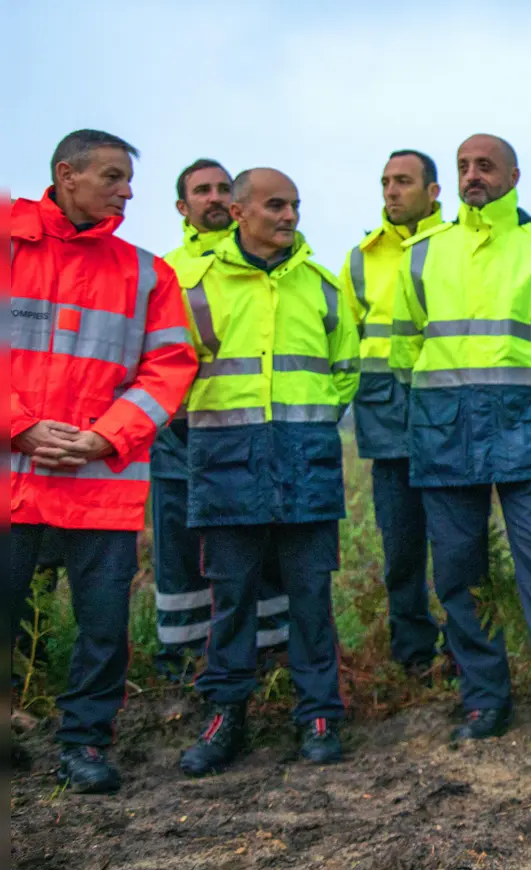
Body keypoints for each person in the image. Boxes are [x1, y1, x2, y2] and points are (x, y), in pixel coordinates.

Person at [390, 134, 531, 745]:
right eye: (465, 165)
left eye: (485, 166)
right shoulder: (421, 253)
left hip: (529, 433)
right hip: (445, 434)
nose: (473, 175)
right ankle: (483, 701)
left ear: (514, 176)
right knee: (461, 572)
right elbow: (403, 352)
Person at [10, 130, 198, 793]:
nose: (127, 190)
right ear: (67, 174)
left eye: (127, 178)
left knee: (103, 626)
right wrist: (18, 427)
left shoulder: (147, 272)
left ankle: (84, 743)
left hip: (99, 483)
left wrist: (104, 439)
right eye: (113, 177)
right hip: (11, 476)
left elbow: (169, 368)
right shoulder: (6, 244)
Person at [177, 168, 359, 775]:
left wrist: (305, 428)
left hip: (305, 462)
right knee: (231, 600)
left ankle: (319, 716)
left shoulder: (324, 288)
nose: (288, 216)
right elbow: (175, 375)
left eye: (296, 206)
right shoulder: (195, 287)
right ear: (238, 211)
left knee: (311, 597)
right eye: (275, 205)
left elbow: (346, 372)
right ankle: (225, 718)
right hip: (225, 463)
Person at [154, 159, 291, 679]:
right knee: (182, 557)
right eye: (200, 190)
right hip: (181, 446)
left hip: (255, 444)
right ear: (182, 206)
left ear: (236, 204)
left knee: (264, 552)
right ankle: (183, 658)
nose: (212, 197)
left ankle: (270, 653)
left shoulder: (268, 265)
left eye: (221, 189)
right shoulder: (166, 271)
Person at [339, 150, 446, 676]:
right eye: (385, 182)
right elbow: (345, 340)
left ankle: (467, 646)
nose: (391, 191)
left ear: (434, 191)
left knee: (456, 540)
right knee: (401, 544)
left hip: (444, 408)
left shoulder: (452, 248)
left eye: (403, 181)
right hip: (386, 417)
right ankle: (414, 654)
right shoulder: (359, 259)